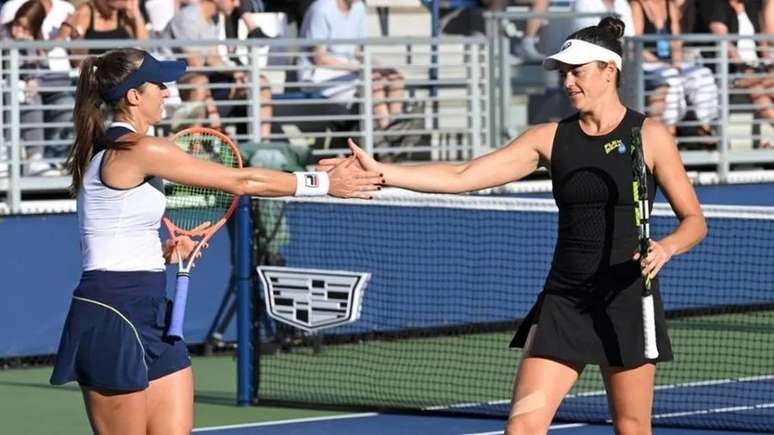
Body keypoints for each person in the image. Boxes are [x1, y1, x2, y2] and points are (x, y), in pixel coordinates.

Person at [322, 17, 707, 435]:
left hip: (626, 299)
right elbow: (463, 175)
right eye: (564, 74)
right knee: (522, 428)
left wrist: (667, 248)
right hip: (564, 301)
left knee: (632, 427)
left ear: (608, 70)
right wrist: (383, 173)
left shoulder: (650, 136)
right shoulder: (549, 138)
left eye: (577, 72)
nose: (568, 82)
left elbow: (694, 221)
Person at [48, 48, 381, 435]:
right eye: (159, 84)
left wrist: (161, 253)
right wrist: (324, 183)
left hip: (150, 304)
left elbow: (110, 232)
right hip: (111, 312)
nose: (167, 92)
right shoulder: (139, 149)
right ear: (134, 96)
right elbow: (242, 181)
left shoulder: (120, 150)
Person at [630, 0, 719, 140]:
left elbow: (675, 40)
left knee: (703, 74)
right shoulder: (638, 5)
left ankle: (704, 127)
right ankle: (671, 131)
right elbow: (638, 44)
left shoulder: (668, 5)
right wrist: (661, 63)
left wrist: (677, 63)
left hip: (671, 62)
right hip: (648, 62)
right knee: (671, 77)